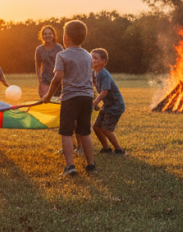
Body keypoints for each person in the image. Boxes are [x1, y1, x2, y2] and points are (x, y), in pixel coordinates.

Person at [41, 20, 97, 176]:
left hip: (70, 98)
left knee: (66, 132)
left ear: (67, 37)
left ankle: (70, 166)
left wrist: (47, 96)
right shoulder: (87, 55)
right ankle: (91, 166)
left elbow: (57, 78)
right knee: (85, 132)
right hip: (87, 98)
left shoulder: (62, 55)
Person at [91, 48, 127, 155]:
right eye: (91, 58)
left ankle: (119, 150)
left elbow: (105, 91)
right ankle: (106, 148)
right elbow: (94, 88)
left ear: (104, 62)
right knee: (96, 127)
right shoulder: (94, 73)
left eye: (95, 58)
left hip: (116, 105)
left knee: (106, 130)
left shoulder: (104, 74)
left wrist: (96, 101)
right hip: (107, 105)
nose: (93, 60)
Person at [34, 25, 64, 99]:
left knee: (58, 102)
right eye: (45, 34)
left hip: (58, 80)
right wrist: (40, 81)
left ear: (53, 35)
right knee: (47, 101)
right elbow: (37, 66)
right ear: (42, 36)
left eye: (50, 33)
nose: (48, 36)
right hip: (45, 81)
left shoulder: (59, 48)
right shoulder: (39, 49)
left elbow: (64, 65)